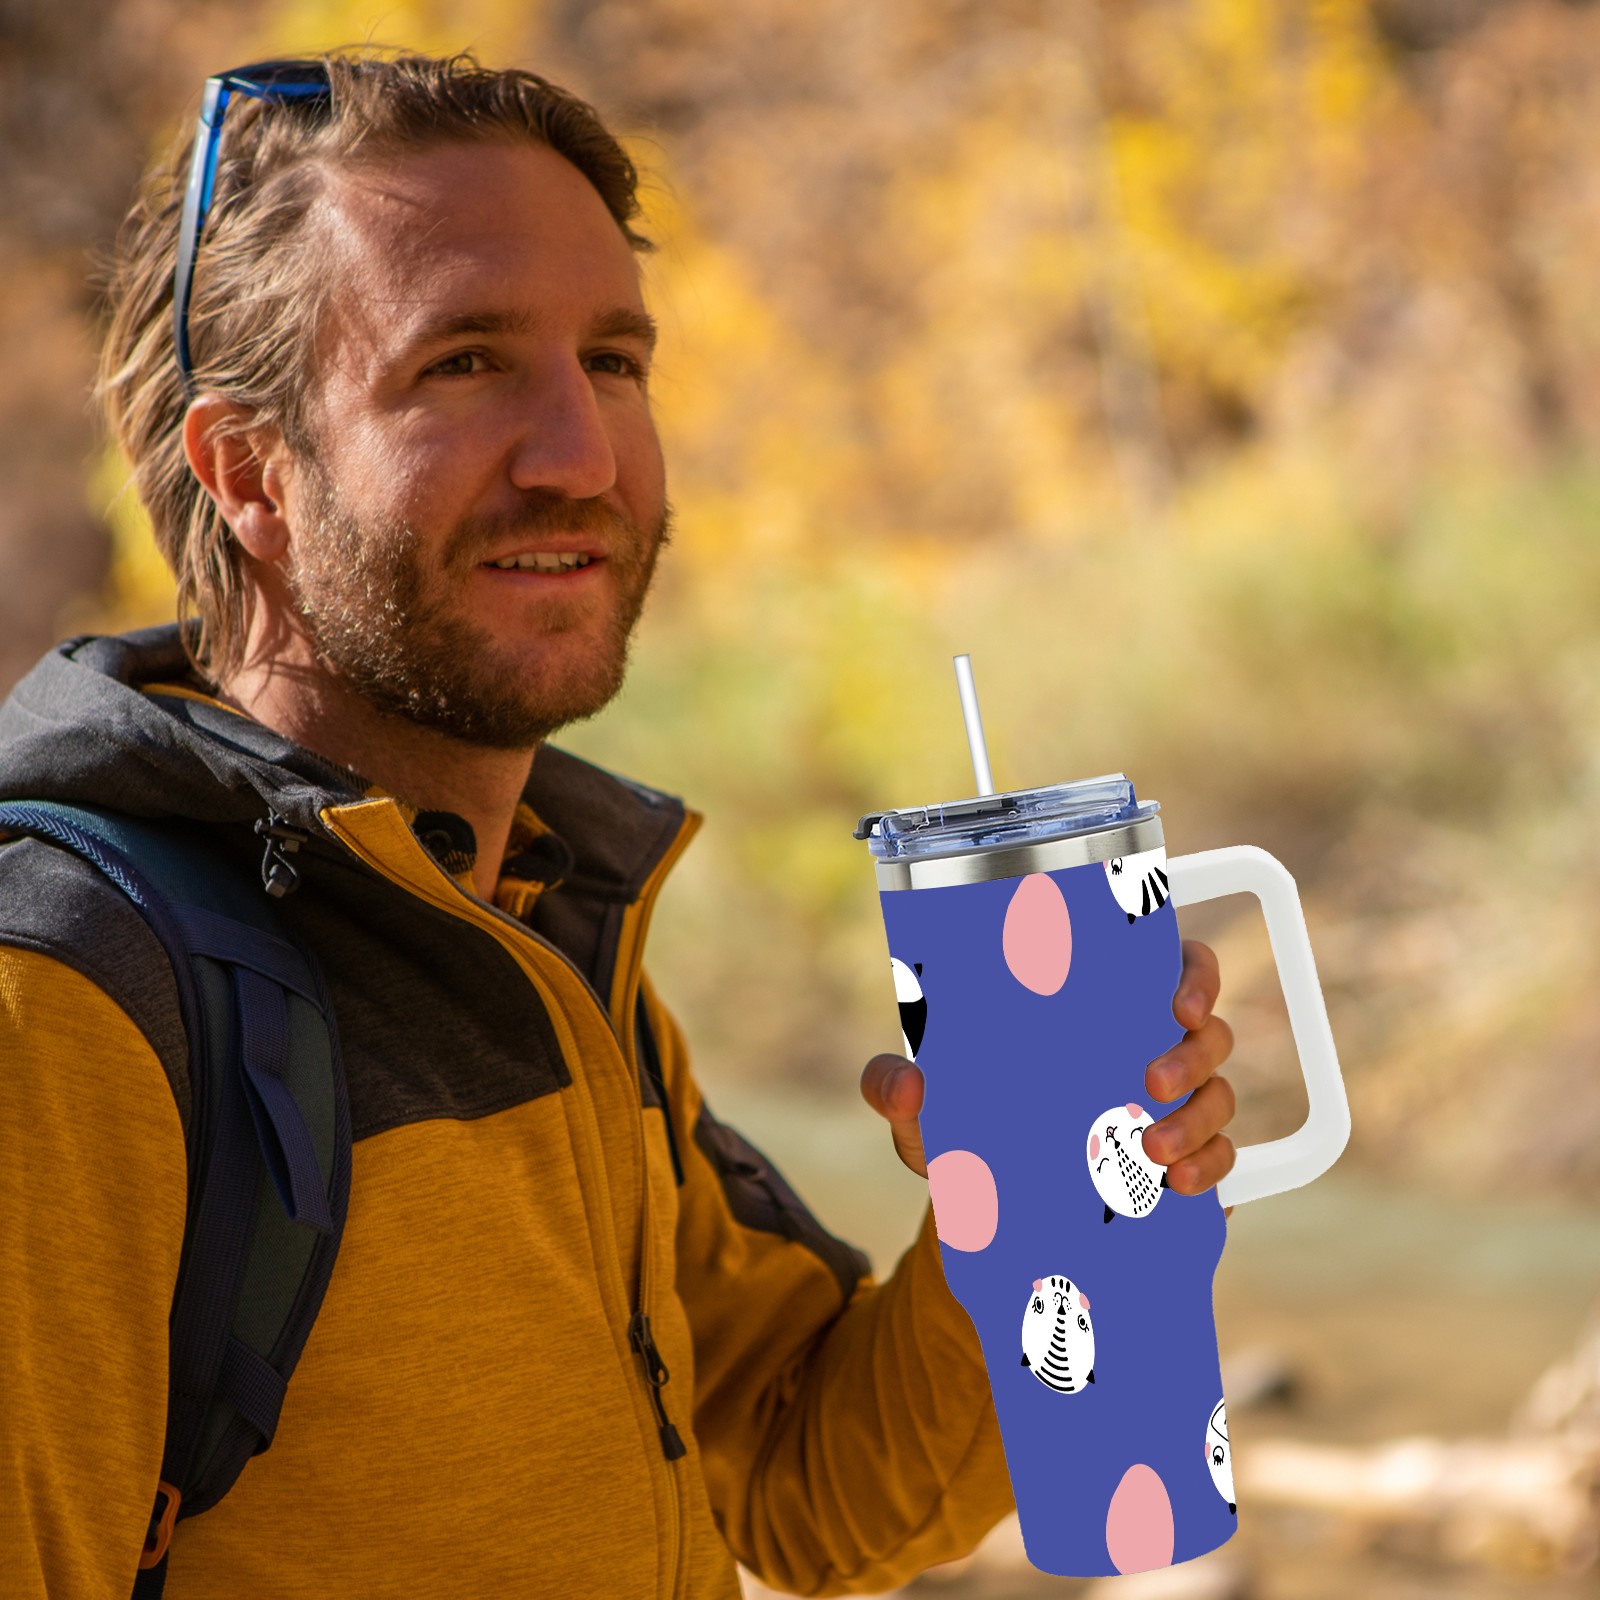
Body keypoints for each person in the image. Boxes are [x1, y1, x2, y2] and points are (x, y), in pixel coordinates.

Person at [0, 51, 1239, 1598]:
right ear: (250, 473)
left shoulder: (541, 924)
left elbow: (807, 1488)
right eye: (463, 363)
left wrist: (1046, 1213)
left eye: (614, 360)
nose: (581, 455)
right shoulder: (70, 998)